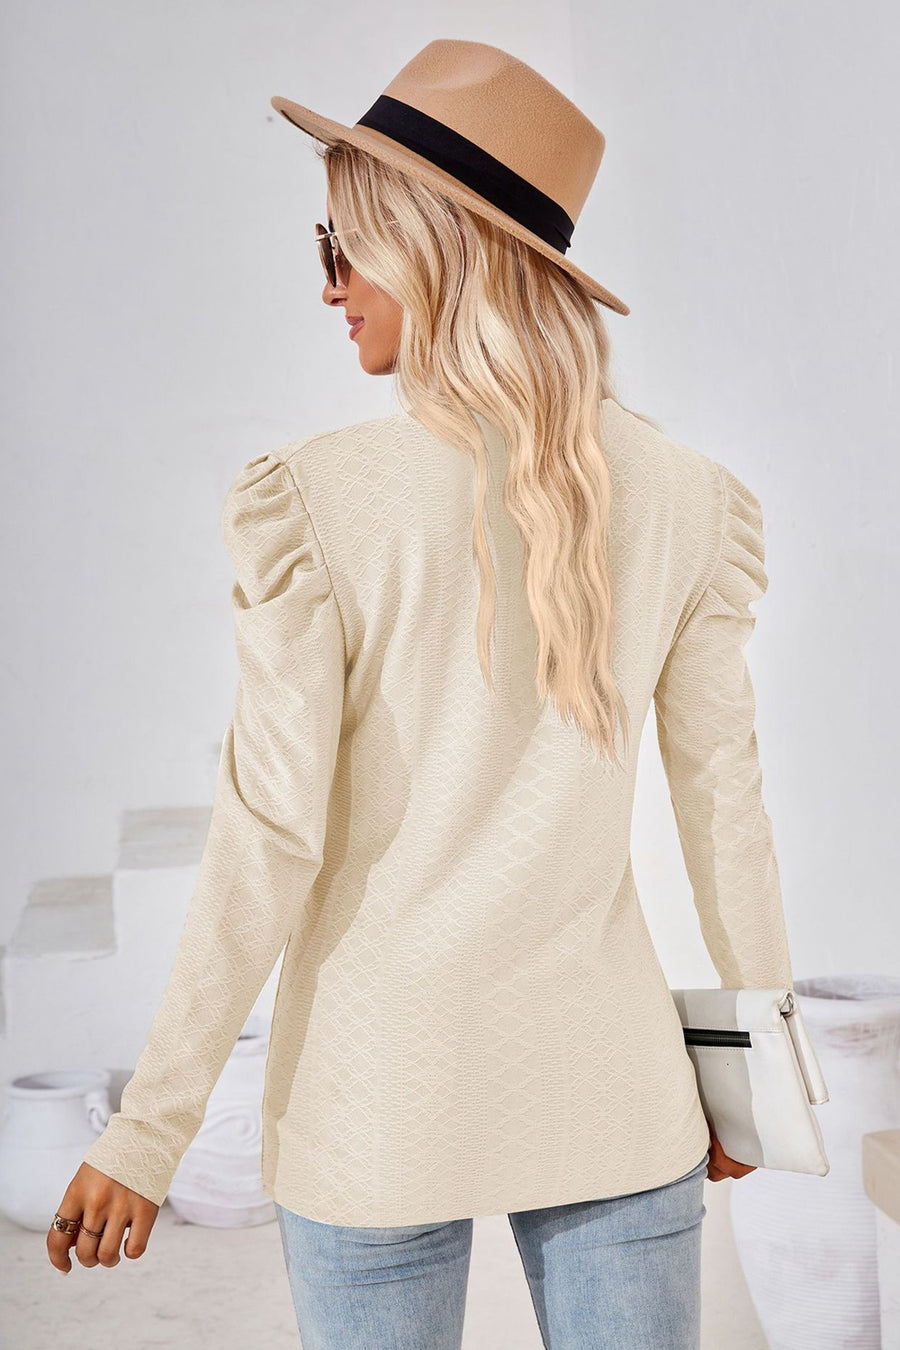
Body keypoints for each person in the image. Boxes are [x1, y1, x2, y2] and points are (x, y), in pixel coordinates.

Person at [47, 38, 795, 1350]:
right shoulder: (691, 503)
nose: (327, 285)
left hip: (373, 1103)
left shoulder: (315, 504)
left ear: (436, 250)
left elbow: (267, 837)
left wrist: (148, 1129)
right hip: (613, 1094)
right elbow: (723, 808)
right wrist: (759, 1089)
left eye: (343, 247)